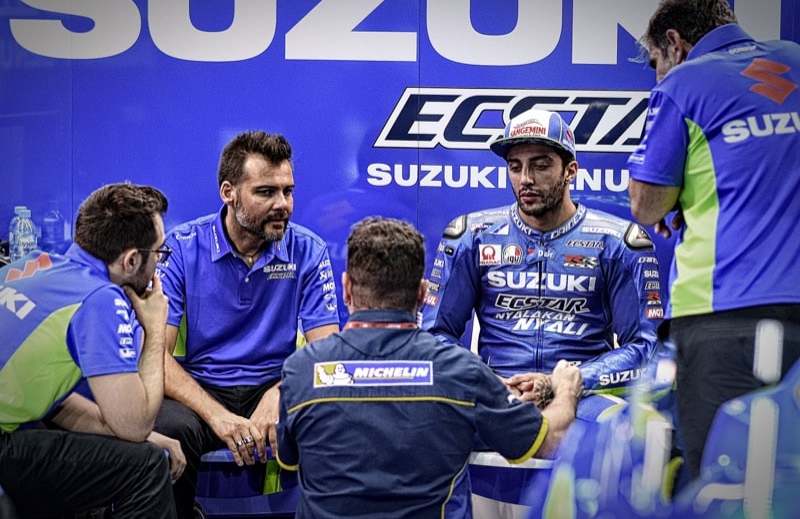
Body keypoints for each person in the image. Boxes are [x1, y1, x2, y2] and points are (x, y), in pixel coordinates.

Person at [276, 216, 583, 518]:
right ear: (423, 294)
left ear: (346, 289)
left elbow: (288, 459)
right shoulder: (462, 372)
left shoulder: (300, 370)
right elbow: (549, 440)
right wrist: (565, 388)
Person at [627, 0, 800, 481]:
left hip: (721, 313)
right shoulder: (795, 58)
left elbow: (646, 204)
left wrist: (676, 197)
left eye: (656, 62)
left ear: (675, 43)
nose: (658, 75)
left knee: (722, 487)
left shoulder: (684, 83)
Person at [155, 130, 341, 518]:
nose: (283, 204)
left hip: (275, 384)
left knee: (331, 417)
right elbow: (156, 355)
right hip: (202, 388)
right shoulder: (181, 247)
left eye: (288, 191)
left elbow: (326, 353)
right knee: (169, 429)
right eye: (266, 192)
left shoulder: (308, 250)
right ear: (229, 192)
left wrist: (281, 393)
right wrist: (216, 415)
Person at [422, 108, 662, 402]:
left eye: (540, 166)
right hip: (496, 396)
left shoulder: (618, 242)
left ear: (570, 171)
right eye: (515, 167)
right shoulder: (472, 236)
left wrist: (567, 382)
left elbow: (645, 348)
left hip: (582, 397)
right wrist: (484, 380)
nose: (525, 179)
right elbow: (434, 335)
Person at [0, 183, 179, 517]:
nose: (159, 264)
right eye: (159, 253)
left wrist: (150, 436)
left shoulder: (36, 264)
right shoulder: (99, 299)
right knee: (147, 467)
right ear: (131, 260)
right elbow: (135, 424)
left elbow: (56, 403)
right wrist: (155, 330)